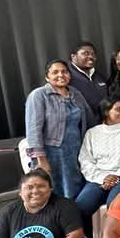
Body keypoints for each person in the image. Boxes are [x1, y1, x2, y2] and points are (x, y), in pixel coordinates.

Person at [25, 59, 95, 199]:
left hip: (76, 151)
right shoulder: (39, 95)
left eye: (64, 71)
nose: (60, 75)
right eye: (55, 72)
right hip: (52, 154)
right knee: (53, 192)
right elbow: (33, 130)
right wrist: (41, 160)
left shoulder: (75, 93)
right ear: (47, 77)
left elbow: (90, 119)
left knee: (75, 191)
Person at [76, 97, 120, 236]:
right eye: (118, 109)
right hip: (98, 179)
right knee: (81, 206)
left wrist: (117, 176)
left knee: (114, 206)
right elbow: (85, 159)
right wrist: (103, 178)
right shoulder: (92, 133)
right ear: (107, 112)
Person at [68, 41, 108, 116]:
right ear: (73, 57)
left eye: (93, 54)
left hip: (103, 122)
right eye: (85, 53)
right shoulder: (67, 77)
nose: (90, 57)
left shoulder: (100, 76)